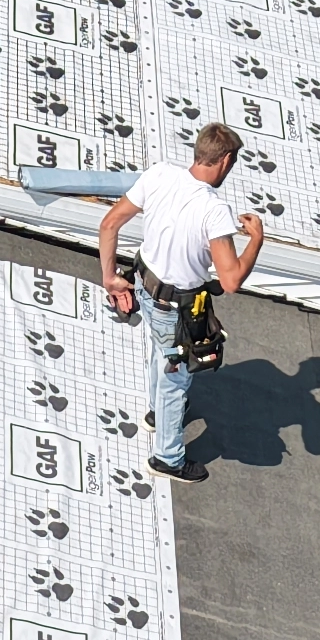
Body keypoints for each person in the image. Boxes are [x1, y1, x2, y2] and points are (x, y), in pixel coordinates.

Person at [97, 124, 264, 483]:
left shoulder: (159, 174)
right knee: (177, 378)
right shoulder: (214, 211)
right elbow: (232, 279)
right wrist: (255, 240)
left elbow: (109, 224)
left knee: (162, 353)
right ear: (226, 160)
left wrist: (110, 278)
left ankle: (158, 414)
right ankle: (167, 459)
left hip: (144, 285)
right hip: (178, 308)